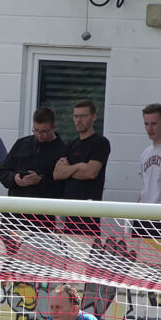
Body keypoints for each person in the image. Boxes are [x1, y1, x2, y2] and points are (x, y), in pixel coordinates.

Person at [0, 107, 65, 230]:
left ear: (54, 128)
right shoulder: (22, 143)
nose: (39, 135)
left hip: (41, 218)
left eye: (44, 131)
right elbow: (2, 172)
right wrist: (15, 178)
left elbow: (62, 187)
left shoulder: (62, 150)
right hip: (13, 215)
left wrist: (40, 181)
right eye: (36, 130)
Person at [54, 99, 110, 237]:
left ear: (94, 117)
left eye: (83, 116)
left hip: (88, 217)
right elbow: (57, 174)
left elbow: (91, 172)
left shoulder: (100, 143)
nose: (78, 120)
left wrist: (69, 169)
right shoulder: (71, 145)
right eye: (76, 116)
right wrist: (79, 167)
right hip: (68, 217)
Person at [133, 102, 161, 239]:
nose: (149, 128)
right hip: (143, 215)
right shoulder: (145, 153)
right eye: (146, 124)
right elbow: (145, 185)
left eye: (154, 124)